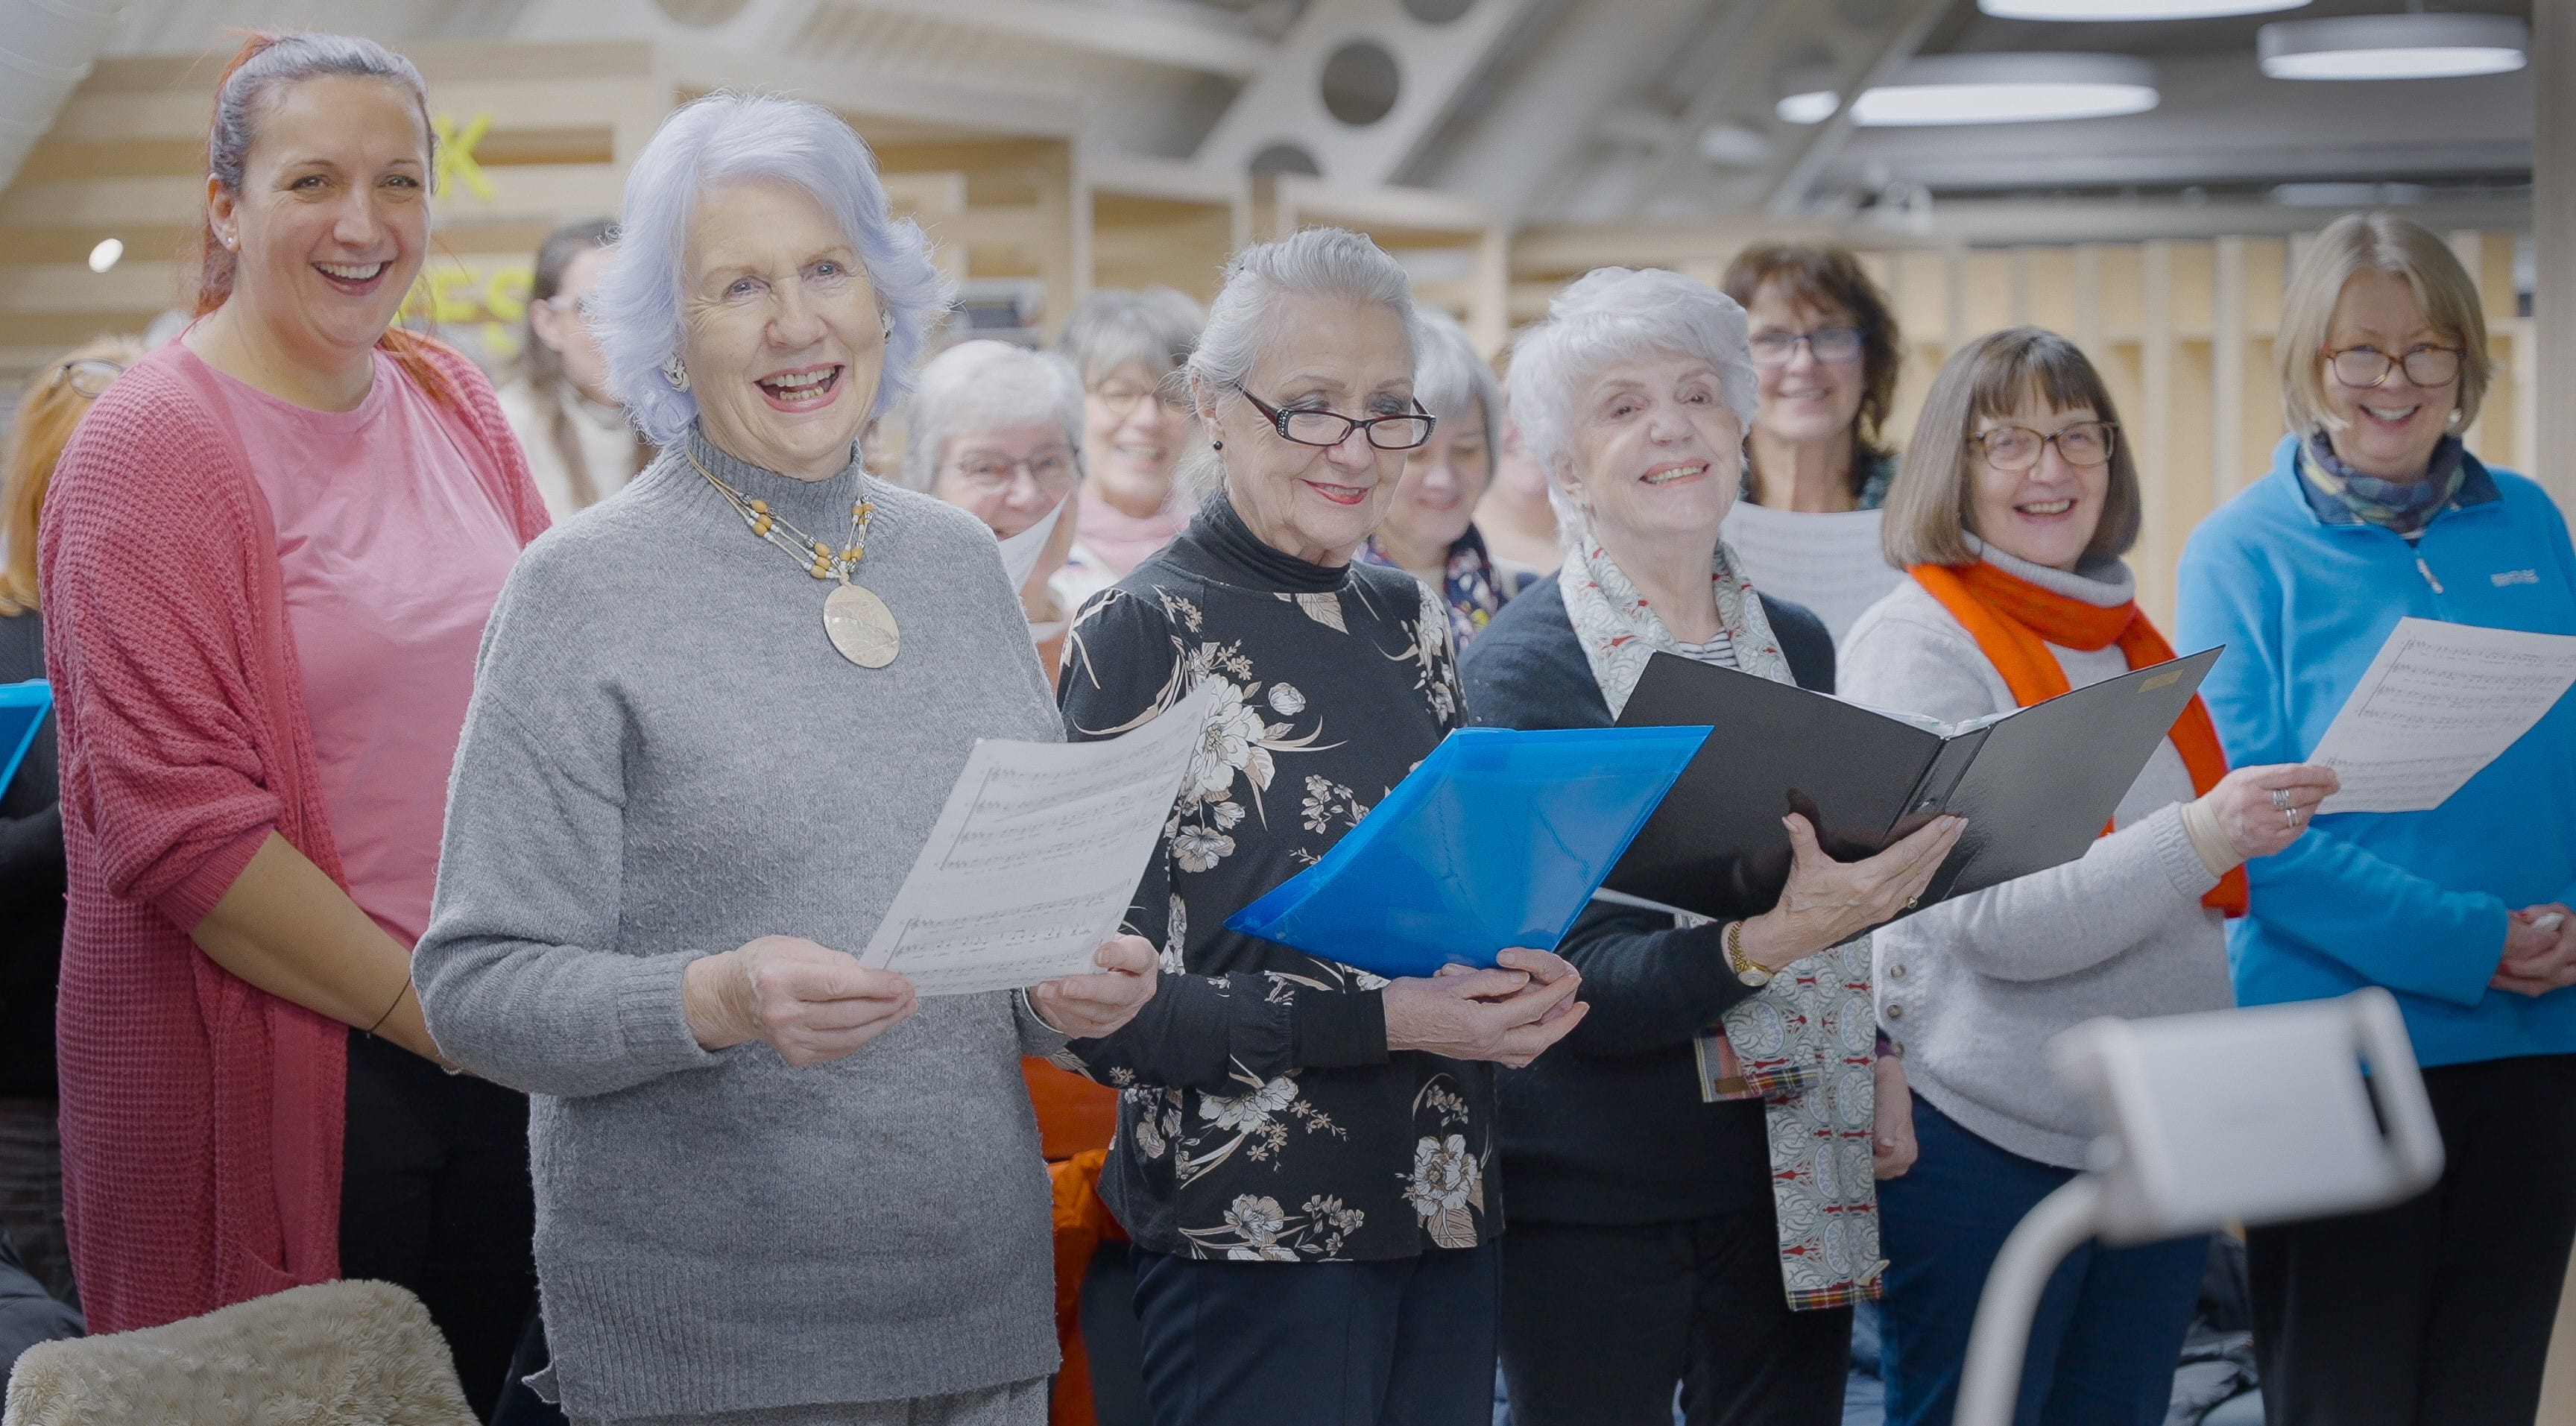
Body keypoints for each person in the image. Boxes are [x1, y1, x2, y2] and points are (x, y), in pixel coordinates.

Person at [411, 92, 1158, 1426]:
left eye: (825, 269)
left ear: (883, 299)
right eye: (737, 285)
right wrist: (717, 996)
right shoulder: (580, 589)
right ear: (669, 335)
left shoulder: (954, 564)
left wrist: (1074, 985)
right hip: (712, 1347)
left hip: (981, 1313)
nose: (795, 322)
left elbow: (1016, 947)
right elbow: (475, 988)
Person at [39, 34, 551, 1414]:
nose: (363, 223)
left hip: (488, 1036)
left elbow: (559, 672)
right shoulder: (148, 449)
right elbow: (185, 837)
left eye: (400, 180)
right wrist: (437, 1017)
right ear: (225, 206)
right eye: (312, 179)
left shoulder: (451, 398)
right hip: (303, 1057)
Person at [1054, 227, 1586, 1426]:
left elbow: (1443, 905)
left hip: (1447, 1197)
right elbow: (1101, 1017)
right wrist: (1394, 1017)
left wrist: (1513, 975)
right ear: (1214, 405)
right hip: (1251, 1235)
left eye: (1388, 410)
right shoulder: (1140, 634)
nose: (1357, 451)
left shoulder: (1409, 615)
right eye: (1311, 409)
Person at [1458, 265, 1963, 1426]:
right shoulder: (1523, 673)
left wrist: (1878, 1051)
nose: (1671, 426)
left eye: (1696, 392)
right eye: (1621, 405)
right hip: (1595, 1193)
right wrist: (1774, 939)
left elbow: (1834, 881)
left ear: (1740, 422)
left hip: (1796, 1160)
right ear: (1567, 465)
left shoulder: (1796, 642)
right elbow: (1564, 974)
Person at [1845, 326, 2337, 1426]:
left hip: (2155, 1123)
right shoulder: (1915, 641)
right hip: (1987, 1142)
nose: (2052, 470)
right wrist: (2204, 836)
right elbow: (1994, 926)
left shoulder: (2123, 637)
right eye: (2008, 441)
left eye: (2077, 436)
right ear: (1952, 466)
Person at [2176, 212, 2576, 1426]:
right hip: (2335, 1045)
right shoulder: (2239, 551)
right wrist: (2472, 939)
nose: (2392, 383)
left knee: (2486, 1393)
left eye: (2424, 351)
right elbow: (2254, 830)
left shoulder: (2531, 523)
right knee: (2343, 1396)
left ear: (2465, 361)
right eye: (2360, 351)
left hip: (2537, 1040)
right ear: (2310, 360)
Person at [0, 335, 138, 1312]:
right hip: (33, 1085)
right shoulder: (12, 642)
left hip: (165, 1064)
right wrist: (95, 813)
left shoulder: (171, 628)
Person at [1716, 242, 1908, 641]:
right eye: (1771, 340)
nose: (1803, 364)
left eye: (1830, 335)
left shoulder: (1924, 506)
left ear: (1870, 362)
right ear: (1730, 370)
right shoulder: (1697, 511)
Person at [903, 338, 1109, 672]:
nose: (1027, 496)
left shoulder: (1110, 644)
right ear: (924, 487)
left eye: (1049, 463)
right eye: (986, 468)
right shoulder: (898, 649)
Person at [1360, 309, 1533, 651]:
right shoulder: (1316, 601)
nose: (1443, 479)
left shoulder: (1524, 599)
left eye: (1466, 450)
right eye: (1417, 454)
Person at [499, 218, 652, 519]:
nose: (615, 331)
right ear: (548, 322)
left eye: (630, 305)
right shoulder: (508, 429)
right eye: (592, 308)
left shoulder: (684, 424)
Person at [1057, 286, 1203, 577]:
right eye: (1121, 394)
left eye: (1172, 398)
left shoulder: (1228, 549)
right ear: (1071, 406)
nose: (1147, 420)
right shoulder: (1035, 550)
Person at [1475, 417, 1559, 575]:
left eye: (1538, 402)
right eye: (1507, 403)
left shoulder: (1606, 538)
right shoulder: (1449, 547)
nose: (1526, 424)